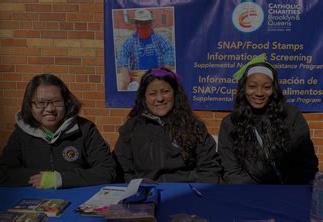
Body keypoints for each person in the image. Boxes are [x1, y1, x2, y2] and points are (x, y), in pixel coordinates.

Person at [0, 74, 116, 188]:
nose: (50, 109)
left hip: (78, 198)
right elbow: (2, 174)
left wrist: (61, 179)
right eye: (41, 103)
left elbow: (107, 171)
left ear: (67, 102)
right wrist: (42, 178)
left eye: (57, 102)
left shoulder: (85, 129)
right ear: (30, 106)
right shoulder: (21, 133)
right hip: (36, 200)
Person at [218, 54, 318, 184]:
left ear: (274, 89)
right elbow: (231, 170)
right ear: (244, 88)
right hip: (249, 192)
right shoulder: (230, 123)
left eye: (266, 87)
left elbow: (306, 163)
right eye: (252, 86)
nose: (259, 93)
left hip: (289, 191)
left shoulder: (292, 116)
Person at [114, 67, 221, 183]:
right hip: (147, 194)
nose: (160, 98)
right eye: (152, 94)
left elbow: (209, 166)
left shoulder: (193, 126)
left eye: (165, 91)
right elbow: (123, 169)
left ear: (175, 93)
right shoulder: (131, 128)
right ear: (144, 98)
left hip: (187, 192)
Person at [117, 8, 175, 91]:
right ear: (136, 24)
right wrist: (125, 75)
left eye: (145, 23)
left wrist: (165, 72)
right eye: (139, 23)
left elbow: (169, 50)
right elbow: (123, 53)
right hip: (137, 77)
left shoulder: (159, 38)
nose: (142, 26)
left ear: (150, 23)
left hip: (156, 76)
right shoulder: (131, 40)